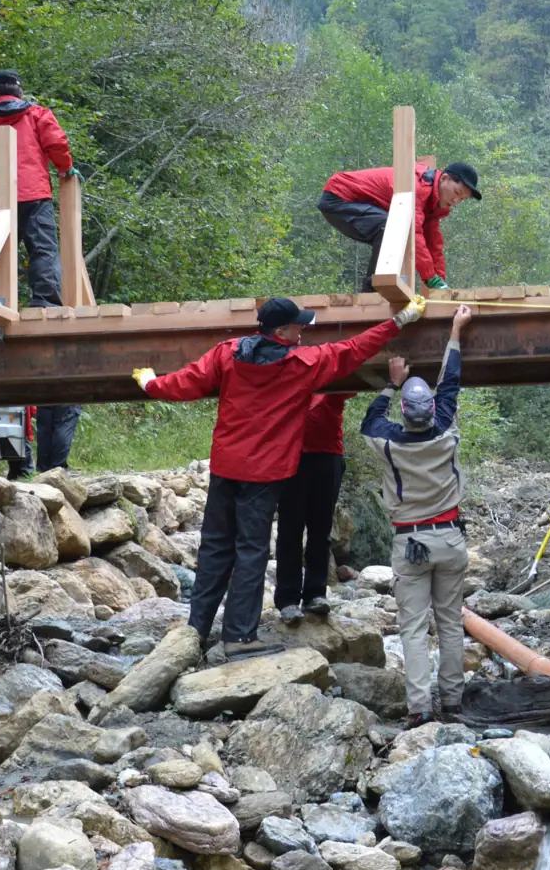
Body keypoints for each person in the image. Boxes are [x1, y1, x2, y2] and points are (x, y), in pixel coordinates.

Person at [133, 295, 424, 659]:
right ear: (282, 330)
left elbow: (185, 383)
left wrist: (149, 384)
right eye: (298, 325)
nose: (303, 330)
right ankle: (239, 637)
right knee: (251, 552)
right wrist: (400, 321)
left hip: (226, 468)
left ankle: (197, 630)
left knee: (215, 548)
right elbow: (354, 349)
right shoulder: (302, 364)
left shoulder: (228, 352)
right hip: (264, 474)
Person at [361, 303, 472, 727]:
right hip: (450, 540)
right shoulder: (446, 429)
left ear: (404, 413)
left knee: (412, 629)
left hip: (411, 543)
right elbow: (451, 384)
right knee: (449, 624)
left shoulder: (388, 442)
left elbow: (370, 420)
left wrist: (393, 384)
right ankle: (455, 705)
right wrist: (455, 332)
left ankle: (420, 709)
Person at [0, 70, 83, 469]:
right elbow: (57, 144)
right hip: (35, 194)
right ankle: (45, 299)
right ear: (18, 92)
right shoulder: (37, 114)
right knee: (42, 251)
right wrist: (65, 168)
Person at [318, 161, 481, 293]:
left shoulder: (431, 204)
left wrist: (441, 284)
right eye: (457, 193)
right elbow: (414, 234)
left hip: (356, 203)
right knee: (393, 228)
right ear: (444, 178)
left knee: (396, 231)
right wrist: (430, 277)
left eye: (462, 199)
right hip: (338, 197)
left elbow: (433, 245)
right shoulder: (417, 187)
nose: (456, 201)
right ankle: (372, 291)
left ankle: (378, 287)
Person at [274, 391, 356, 623]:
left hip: (328, 454)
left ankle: (315, 594)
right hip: (291, 454)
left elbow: (351, 385)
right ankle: (288, 599)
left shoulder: (330, 364)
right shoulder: (287, 363)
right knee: (290, 529)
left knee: (321, 529)